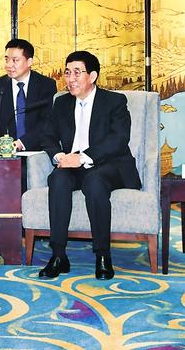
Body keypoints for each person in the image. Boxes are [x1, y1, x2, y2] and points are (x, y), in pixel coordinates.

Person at [38, 50, 141, 281]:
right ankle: (58, 255)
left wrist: (83, 157)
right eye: (67, 72)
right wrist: (59, 156)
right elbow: (48, 136)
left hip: (108, 164)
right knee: (58, 179)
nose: (70, 78)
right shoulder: (61, 103)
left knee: (95, 181)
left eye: (77, 72)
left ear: (92, 76)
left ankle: (103, 255)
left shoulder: (114, 101)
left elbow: (118, 139)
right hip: (72, 164)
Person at [0, 38, 57, 152]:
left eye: (15, 60)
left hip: (37, 151)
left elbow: (47, 121)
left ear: (29, 62)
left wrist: (22, 143)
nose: (8, 65)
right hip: (4, 152)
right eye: (6, 59)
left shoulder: (46, 85)